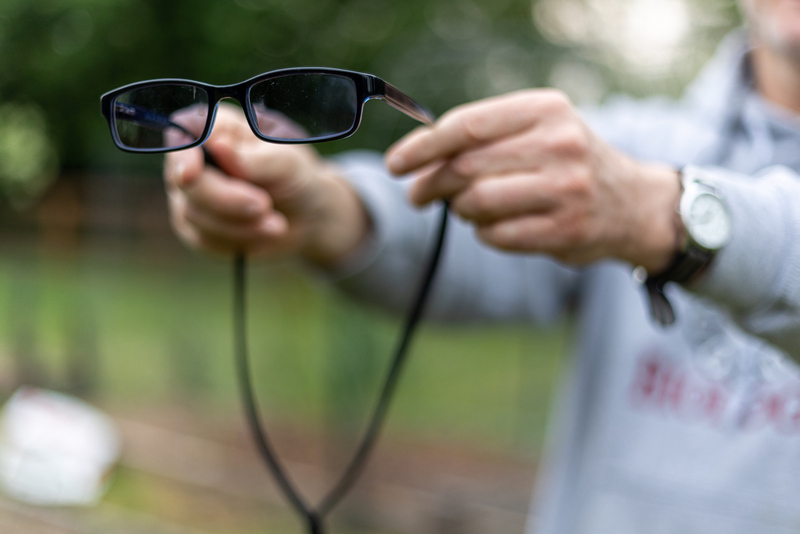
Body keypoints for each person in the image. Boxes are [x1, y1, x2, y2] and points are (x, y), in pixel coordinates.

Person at [163, 0, 800, 531]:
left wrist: (667, 216)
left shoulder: (632, 173)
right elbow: (461, 229)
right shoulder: (635, 144)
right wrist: (324, 207)